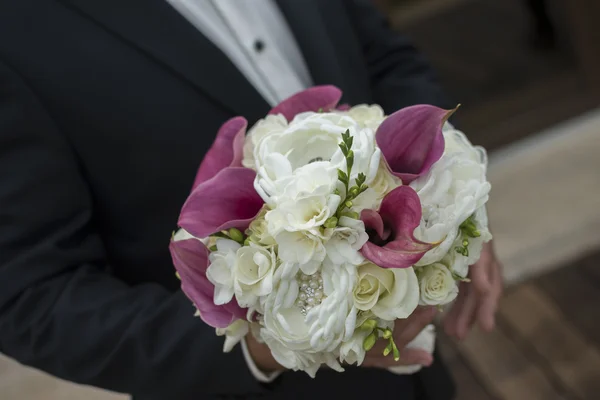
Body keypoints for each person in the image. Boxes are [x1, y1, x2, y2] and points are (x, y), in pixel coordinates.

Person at [0, 0, 503, 399]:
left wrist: (452, 201)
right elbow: (29, 296)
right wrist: (258, 346)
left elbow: (382, 56)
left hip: (418, 367)